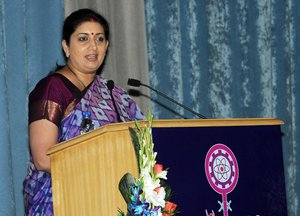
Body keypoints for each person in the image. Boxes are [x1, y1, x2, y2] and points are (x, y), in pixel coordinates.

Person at [23, 8, 145, 215]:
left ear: (106, 46)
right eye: (83, 39)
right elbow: (43, 158)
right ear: (66, 46)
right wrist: (99, 169)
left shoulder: (114, 94)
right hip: (61, 199)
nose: (93, 46)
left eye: (99, 39)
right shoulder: (53, 88)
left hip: (110, 200)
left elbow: (144, 144)